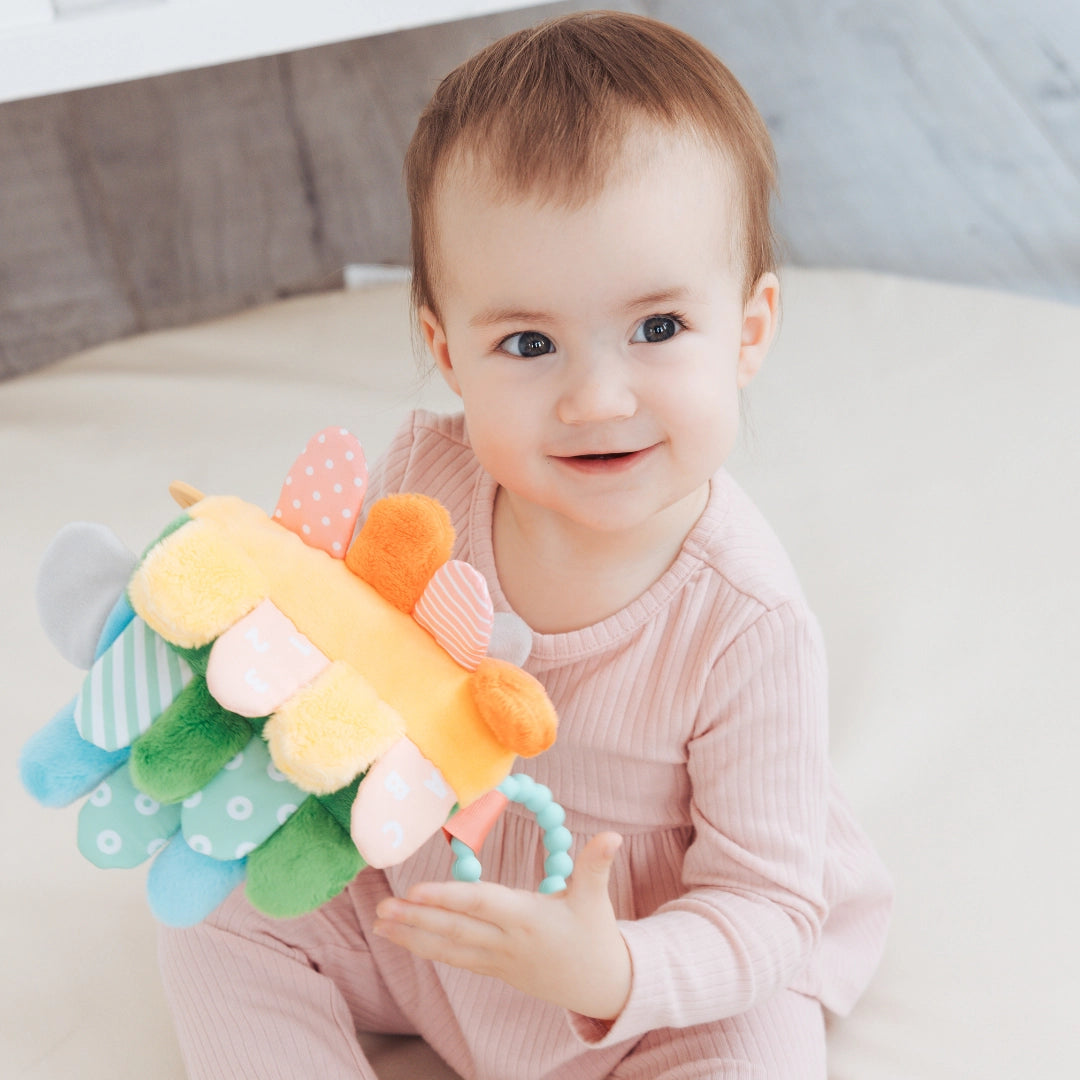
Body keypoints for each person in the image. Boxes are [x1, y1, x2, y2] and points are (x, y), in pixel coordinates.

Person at [159, 12, 893, 1078]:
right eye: (529, 343)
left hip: (657, 973)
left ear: (749, 330)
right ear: (446, 351)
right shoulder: (422, 492)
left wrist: (617, 972)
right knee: (216, 903)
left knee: (762, 1051)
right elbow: (339, 667)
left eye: (657, 329)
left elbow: (768, 904)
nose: (596, 400)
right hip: (427, 911)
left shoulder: (747, 622)